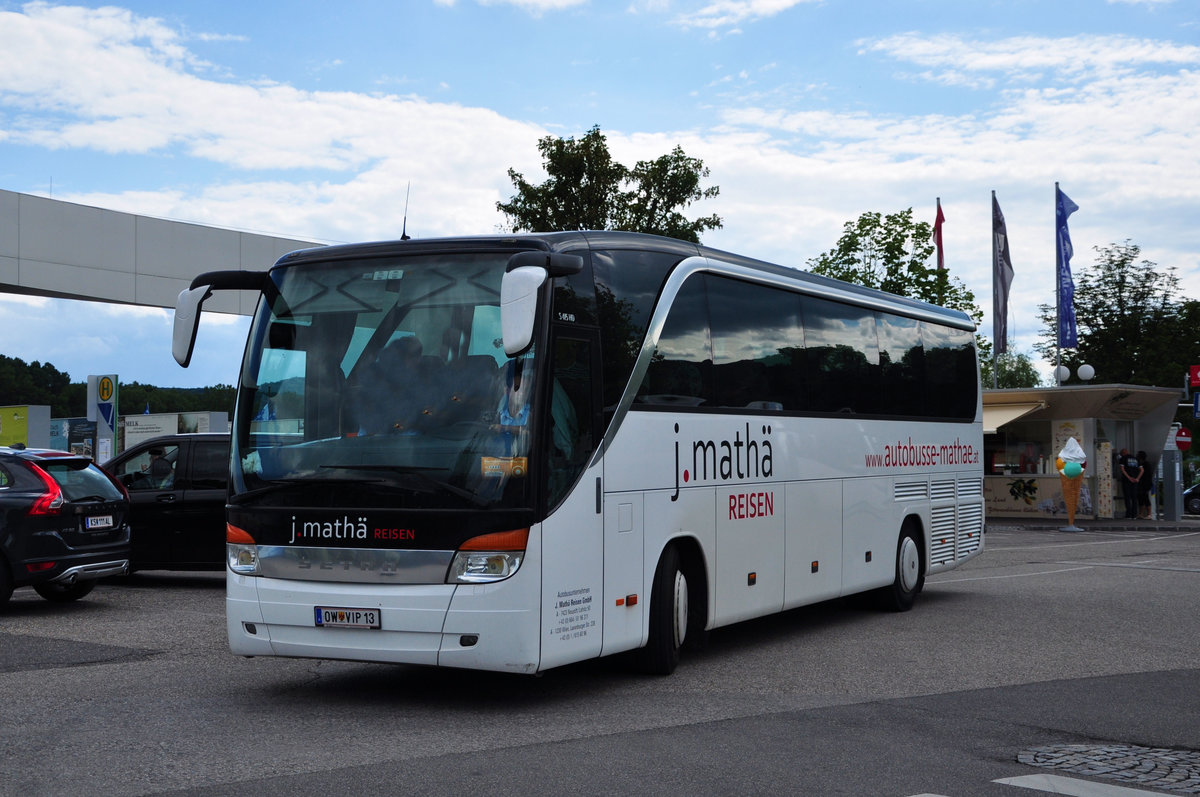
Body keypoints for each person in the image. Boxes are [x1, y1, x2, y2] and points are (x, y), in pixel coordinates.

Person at [1118, 448, 1143, 519]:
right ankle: (1134, 515)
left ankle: (1128, 514)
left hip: (1127, 481)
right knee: (1134, 498)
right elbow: (1142, 470)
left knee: (1127, 497)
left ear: (1123, 453)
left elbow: (1122, 469)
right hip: (1135, 481)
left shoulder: (1123, 458)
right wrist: (1137, 478)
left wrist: (1129, 477)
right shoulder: (1136, 459)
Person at [1137, 450, 1154, 519]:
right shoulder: (1147, 464)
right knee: (1142, 498)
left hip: (1145, 484)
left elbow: (1145, 475)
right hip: (1146, 483)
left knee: (1145, 498)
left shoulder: (1144, 465)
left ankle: (1148, 514)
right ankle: (1142, 514)